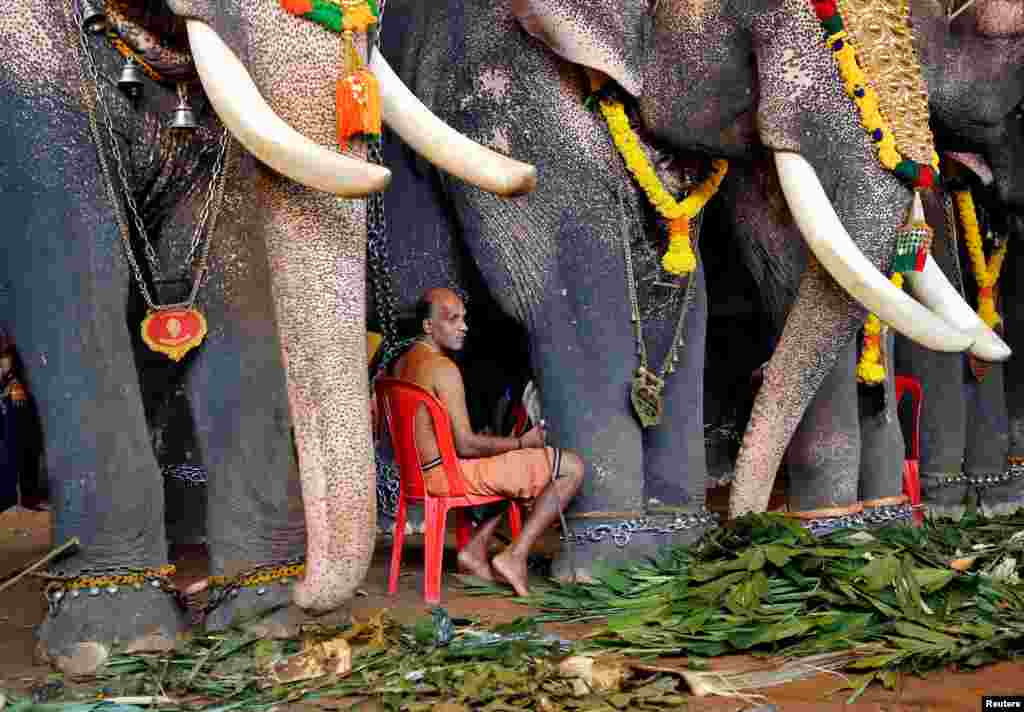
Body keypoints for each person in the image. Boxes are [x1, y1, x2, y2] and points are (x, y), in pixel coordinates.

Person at [390, 288, 585, 596]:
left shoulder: (402, 363)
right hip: (445, 477)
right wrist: (522, 443)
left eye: (463, 319)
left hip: (418, 474)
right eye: (452, 320)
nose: (463, 327)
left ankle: (474, 549)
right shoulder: (443, 369)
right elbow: (466, 445)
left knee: (508, 470)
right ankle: (515, 555)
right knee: (570, 467)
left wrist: (507, 448)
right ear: (428, 326)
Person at [0, 342, 47, 512]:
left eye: (5, 359)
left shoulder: (16, 386)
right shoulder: (10, 385)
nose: (3, 363)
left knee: (21, 468)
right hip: (12, 438)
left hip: (18, 437)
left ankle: (25, 500)